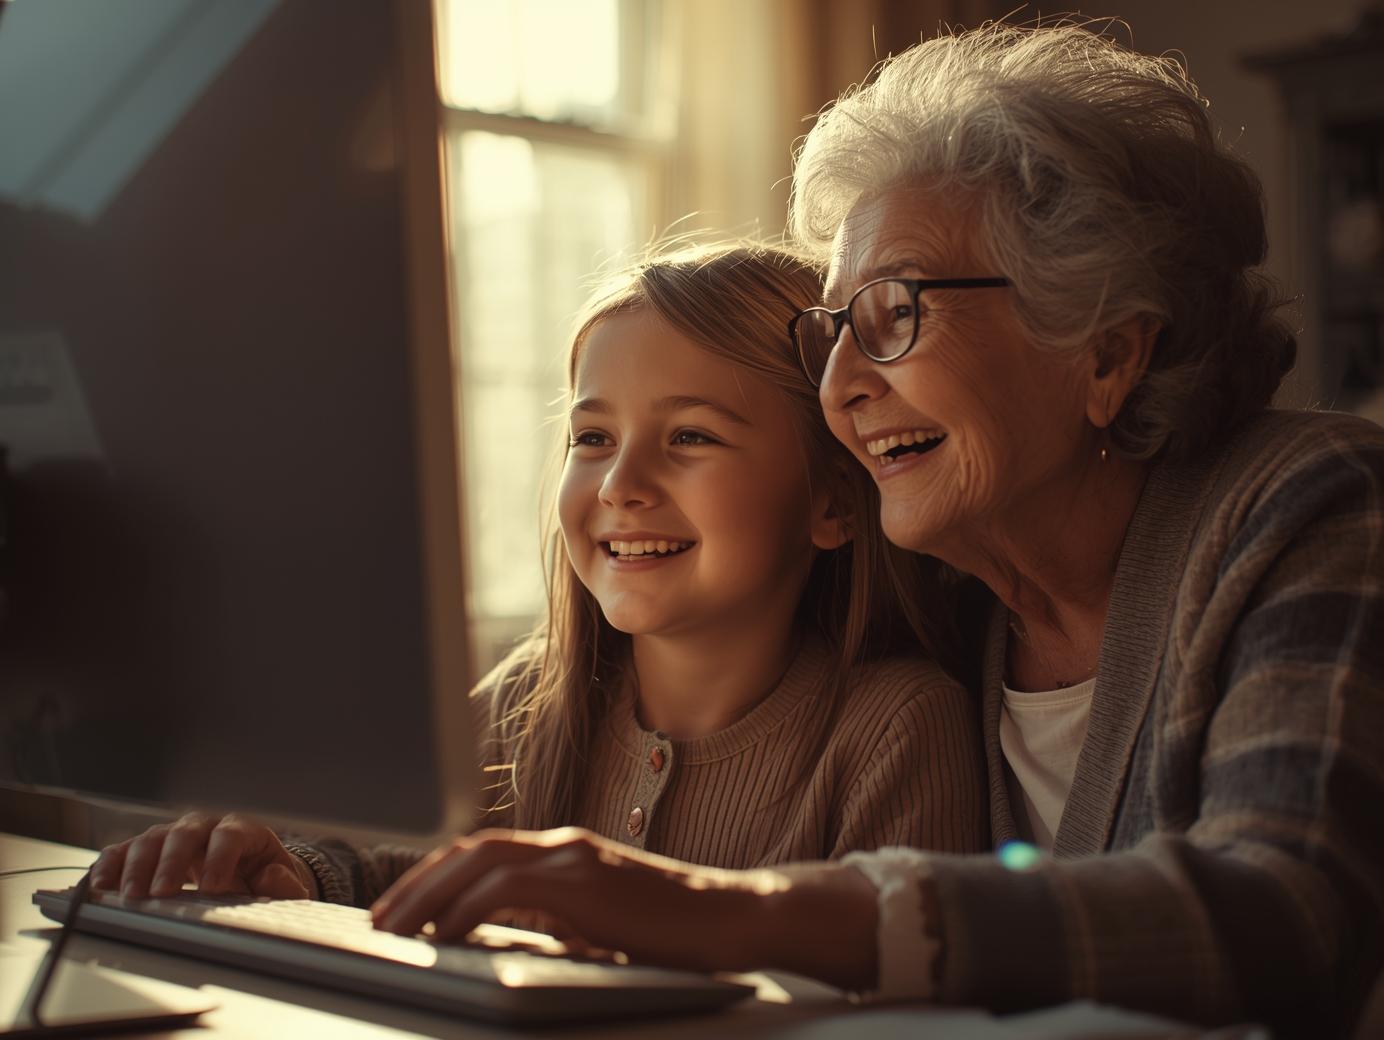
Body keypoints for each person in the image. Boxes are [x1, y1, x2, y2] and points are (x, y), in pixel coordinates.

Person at [363, 22, 1384, 1037]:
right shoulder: (942, 586)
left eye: (895, 311)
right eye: (833, 328)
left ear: (1105, 352)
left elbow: (1287, 913)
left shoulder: (1309, 507)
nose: (841, 388)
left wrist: (728, 906)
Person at [90, 244, 988, 905]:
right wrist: (296, 872)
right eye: (592, 439)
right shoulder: (535, 701)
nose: (622, 486)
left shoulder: (899, 732)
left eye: (691, 437)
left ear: (833, 502)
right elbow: (423, 875)